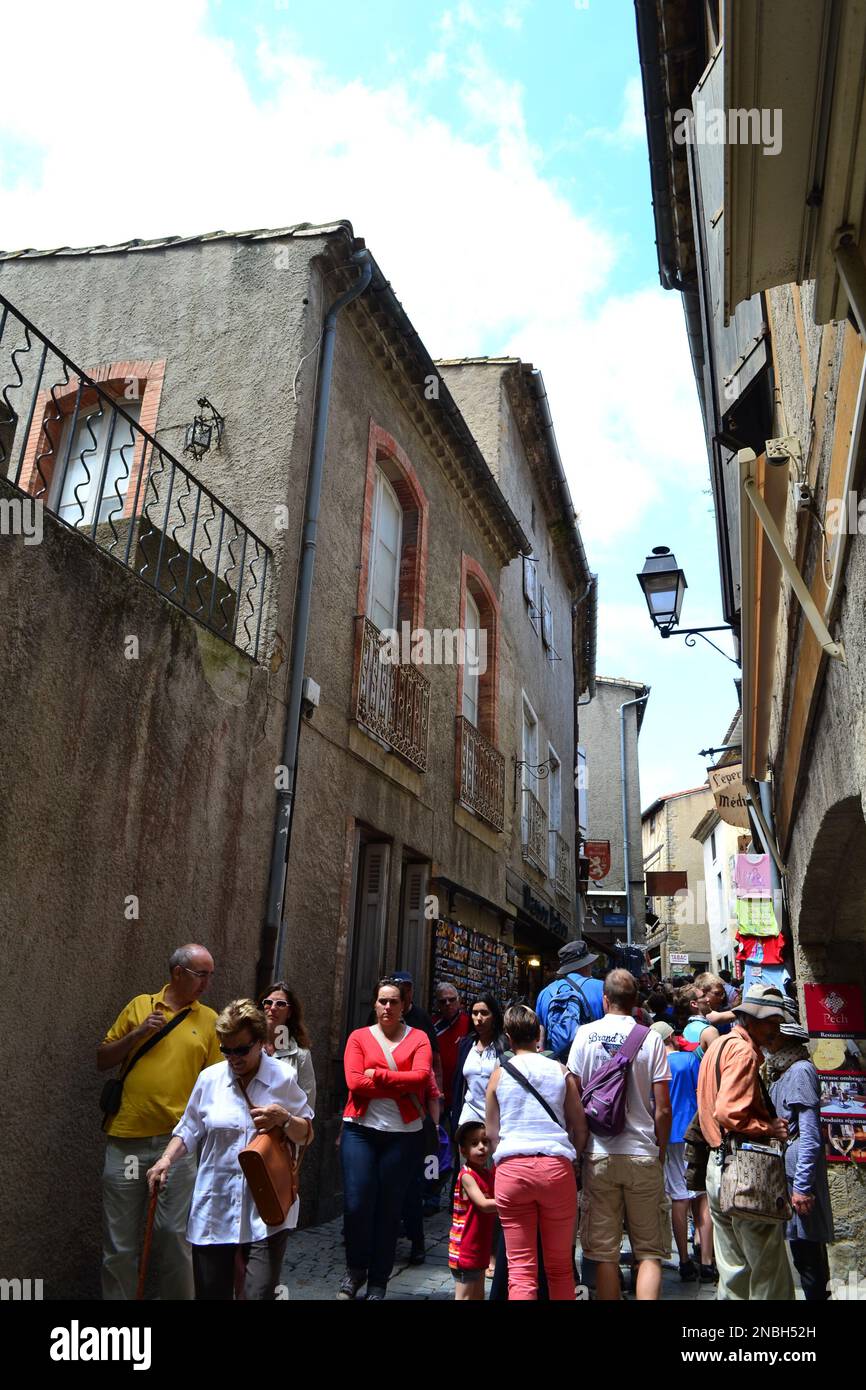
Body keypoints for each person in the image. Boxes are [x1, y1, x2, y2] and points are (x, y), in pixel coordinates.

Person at [146, 999, 313, 1300]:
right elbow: (189, 1128)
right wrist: (166, 1159)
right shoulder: (210, 1079)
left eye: (241, 1050)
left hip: (266, 1210)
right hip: (216, 1205)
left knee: (258, 1294)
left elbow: (305, 1134)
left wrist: (284, 1118)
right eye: (226, 1049)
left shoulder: (282, 1079)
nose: (233, 1058)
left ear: (261, 1043)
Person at [97, 943, 222, 1300]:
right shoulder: (140, 1006)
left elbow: (214, 1084)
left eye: (211, 975)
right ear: (178, 973)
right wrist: (137, 1035)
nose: (207, 983)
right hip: (127, 1142)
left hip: (177, 1144)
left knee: (173, 1237)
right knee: (119, 1243)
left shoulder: (210, 1020)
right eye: (202, 974)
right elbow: (102, 1058)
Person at [567, 969, 672, 1301]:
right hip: (642, 1152)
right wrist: (661, 1150)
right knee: (649, 1252)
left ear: (605, 1000)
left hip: (599, 1153)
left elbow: (574, 1094)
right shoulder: (651, 1038)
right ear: (636, 1001)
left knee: (605, 1252)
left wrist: (577, 1147)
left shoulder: (585, 1034)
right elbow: (663, 1108)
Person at [697, 983, 795, 1301]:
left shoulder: (719, 1045)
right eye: (769, 1022)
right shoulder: (743, 1051)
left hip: (719, 1165)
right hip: (743, 1169)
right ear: (749, 1021)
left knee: (734, 1271)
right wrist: (768, 1127)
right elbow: (728, 1112)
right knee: (768, 1270)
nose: (774, 1030)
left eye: (777, 1023)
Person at [339, 977, 432, 1301]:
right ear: (374, 1004)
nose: (388, 1007)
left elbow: (420, 1079)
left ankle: (379, 1281)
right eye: (382, 1001)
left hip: (403, 1136)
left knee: (389, 1208)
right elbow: (354, 1082)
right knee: (356, 1203)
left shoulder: (418, 1038)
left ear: (404, 1005)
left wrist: (377, 1074)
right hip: (360, 1129)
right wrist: (398, 1083)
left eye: (394, 1001)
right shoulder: (359, 1038)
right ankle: (355, 1269)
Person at [486, 1005, 587, 1300]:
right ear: (538, 1034)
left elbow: (492, 1133)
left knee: (520, 1271)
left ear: (508, 1037)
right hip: (556, 1169)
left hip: (512, 1170)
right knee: (559, 1268)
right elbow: (579, 1127)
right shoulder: (560, 1071)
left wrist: (499, 1166)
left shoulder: (499, 1075)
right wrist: (575, 1158)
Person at [765, 1020, 834, 1301]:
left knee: (809, 1257)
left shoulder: (800, 1071)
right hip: (790, 1172)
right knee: (802, 1252)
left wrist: (802, 1187)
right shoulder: (782, 1070)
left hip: (798, 1176)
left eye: (772, 1035)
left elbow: (809, 1136)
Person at [651, 1021, 715, 1283]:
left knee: (679, 1197)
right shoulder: (689, 1061)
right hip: (693, 1132)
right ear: (673, 1039)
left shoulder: (654, 1066)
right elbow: (704, 1093)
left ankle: (685, 1260)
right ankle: (708, 1261)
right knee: (701, 1196)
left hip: (669, 1135)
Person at [449, 1121, 498, 1301]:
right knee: (464, 1297)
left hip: (479, 1249)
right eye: (474, 1143)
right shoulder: (467, 1176)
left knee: (478, 1296)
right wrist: (509, 1203)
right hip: (465, 1249)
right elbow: (483, 1204)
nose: (481, 1147)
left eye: (485, 1142)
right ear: (462, 1150)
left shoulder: (486, 1174)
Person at [535, 939, 604, 1058]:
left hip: (556, 1067)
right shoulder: (601, 988)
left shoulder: (544, 993)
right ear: (586, 964)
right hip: (590, 1064)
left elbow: (539, 1036)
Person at [451, 994, 506, 1131]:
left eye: (484, 1013)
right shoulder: (466, 1044)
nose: (479, 1019)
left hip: (496, 1121)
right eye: (475, 1013)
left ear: (494, 1016)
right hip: (468, 1119)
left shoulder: (504, 1046)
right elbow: (459, 1083)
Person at [260, 981, 316, 1112]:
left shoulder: (300, 1054)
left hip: (284, 1126)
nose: (273, 1008)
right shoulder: (249, 1046)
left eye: (280, 1004)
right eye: (268, 1002)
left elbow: (307, 1102)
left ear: (290, 1012)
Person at [432, 983, 471, 1114]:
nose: (448, 1004)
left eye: (452, 999)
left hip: (462, 1094)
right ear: (437, 1004)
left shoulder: (469, 1023)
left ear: (459, 1000)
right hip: (439, 1093)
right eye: (443, 1001)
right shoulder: (432, 1026)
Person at [678, 984, 719, 1056]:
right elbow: (718, 1063)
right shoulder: (710, 1031)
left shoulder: (685, 1030)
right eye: (703, 996)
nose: (708, 999)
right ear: (694, 1004)